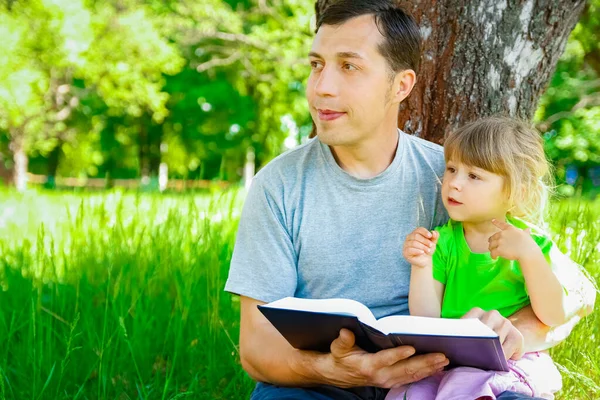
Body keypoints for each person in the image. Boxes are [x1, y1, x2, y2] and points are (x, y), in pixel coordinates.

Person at [224, 2, 596, 399]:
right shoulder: (277, 186)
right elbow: (256, 347)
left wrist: (511, 333)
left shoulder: (453, 178)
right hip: (321, 383)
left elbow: (576, 296)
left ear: (401, 85)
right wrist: (333, 370)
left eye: (349, 66)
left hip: (442, 378)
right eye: (317, 65)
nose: (322, 87)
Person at [386, 117, 583, 400]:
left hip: (509, 361)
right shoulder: (444, 241)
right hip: (450, 362)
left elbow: (552, 315)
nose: (454, 183)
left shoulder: (532, 245)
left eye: (474, 176)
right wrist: (421, 265)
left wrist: (529, 256)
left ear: (516, 192)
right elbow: (427, 319)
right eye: (452, 169)